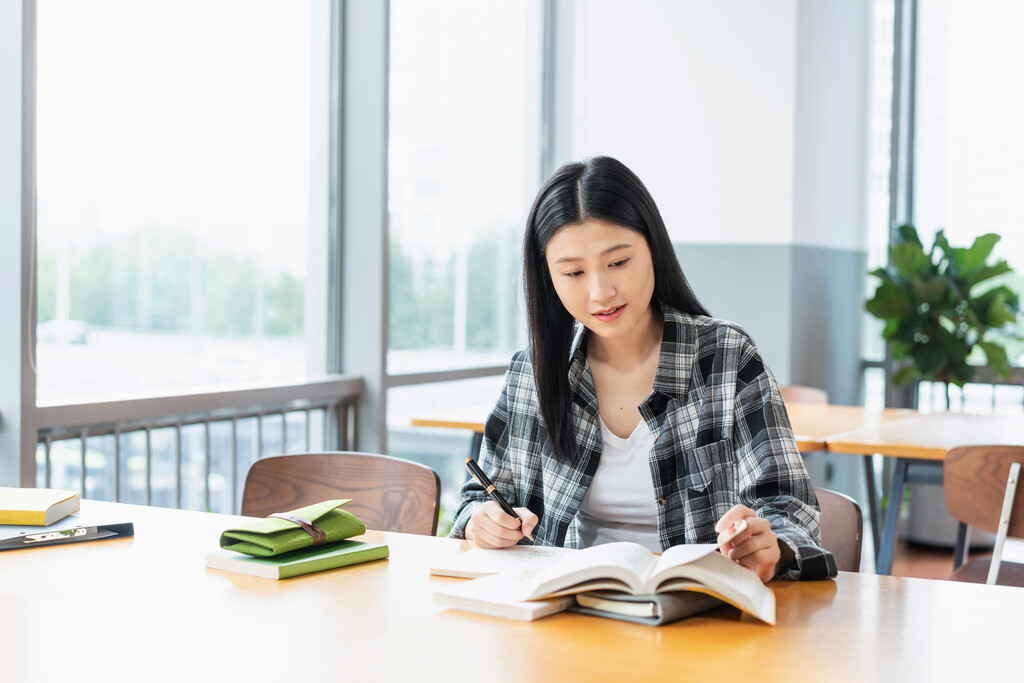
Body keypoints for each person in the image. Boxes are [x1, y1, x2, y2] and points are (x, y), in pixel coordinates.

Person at [448, 156, 836, 581]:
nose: (601, 292)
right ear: (549, 278)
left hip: (699, 618)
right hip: (567, 618)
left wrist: (771, 545)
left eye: (618, 262)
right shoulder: (533, 373)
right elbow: (477, 499)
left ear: (653, 248)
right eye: (574, 272)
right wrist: (480, 521)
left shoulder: (725, 357)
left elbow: (790, 508)